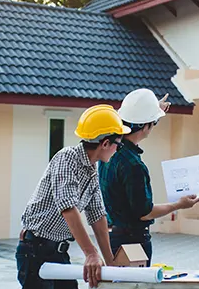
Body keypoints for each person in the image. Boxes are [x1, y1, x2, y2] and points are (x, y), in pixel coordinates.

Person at [16, 105, 131, 289]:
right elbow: (68, 208)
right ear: (105, 143)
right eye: (119, 143)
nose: (118, 149)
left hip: (58, 251)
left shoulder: (92, 170)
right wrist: (91, 253)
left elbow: (98, 217)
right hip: (35, 249)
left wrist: (110, 265)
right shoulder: (67, 158)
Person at [99, 89, 199, 265]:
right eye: (153, 123)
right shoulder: (134, 166)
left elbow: (139, 125)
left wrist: (155, 111)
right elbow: (144, 213)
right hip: (132, 242)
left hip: (112, 237)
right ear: (146, 126)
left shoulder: (109, 150)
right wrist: (179, 204)